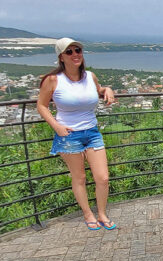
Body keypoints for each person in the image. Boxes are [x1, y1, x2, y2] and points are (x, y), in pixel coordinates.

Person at [37, 38, 117, 231]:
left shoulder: (90, 76)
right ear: (61, 57)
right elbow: (41, 105)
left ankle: (102, 213)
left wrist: (108, 89)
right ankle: (88, 214)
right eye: (69, 52)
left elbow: (98, 91)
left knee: (103, 178)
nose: (75, 54)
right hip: (69, 134)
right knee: (79, 177)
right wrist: (56, 126)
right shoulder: (53, 80)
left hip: (92, 132)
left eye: (78, 50)